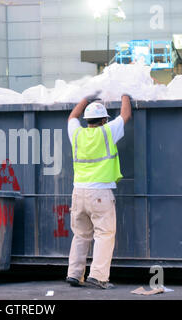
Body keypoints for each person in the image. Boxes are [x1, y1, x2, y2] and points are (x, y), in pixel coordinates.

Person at [66, 92, 132, 290]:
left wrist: (86, 98)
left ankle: (74, 275)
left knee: (80, 235)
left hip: (78, 193)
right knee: (104, 234)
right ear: (104, 120)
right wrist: (125, 95)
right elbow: (125, 115)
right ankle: (98, 276)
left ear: (86, 120)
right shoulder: (107, 131)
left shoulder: (76, 133)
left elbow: (71, 117)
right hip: (100, 194)